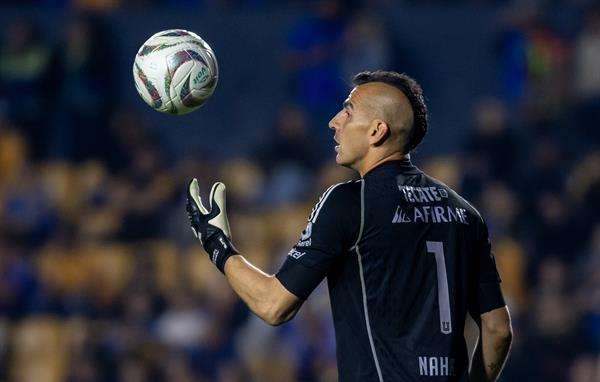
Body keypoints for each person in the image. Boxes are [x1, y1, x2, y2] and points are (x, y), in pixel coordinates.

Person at [186, 70, 512, 381]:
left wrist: (216, 243)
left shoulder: (349, 202)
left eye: (348, 112)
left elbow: (274, 306)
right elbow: (498, 329)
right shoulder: (465, 213)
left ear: (376, 131)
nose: (333, 122)